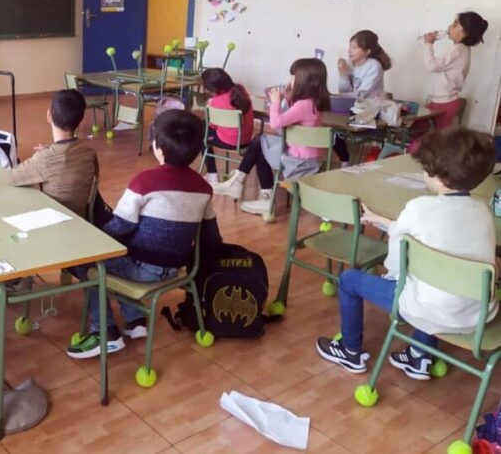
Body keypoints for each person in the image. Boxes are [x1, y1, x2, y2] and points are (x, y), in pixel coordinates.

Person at [316, 127, 497, 380]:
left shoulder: (418, 207)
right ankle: (420, 357)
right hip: (473, 315)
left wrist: (394, 231)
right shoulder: (483, 212)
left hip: (426, 309)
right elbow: (433, 238)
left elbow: (395, 266)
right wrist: (383, 221)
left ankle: (350, 350)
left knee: (350, 280)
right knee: (437, 281)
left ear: (438, 175)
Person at [66, 110, 222, 359]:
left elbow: (121, 227)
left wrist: (96, 239)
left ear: (157, 147)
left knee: (90, 265)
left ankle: (105, 332)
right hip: (177, 269)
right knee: (121, 256)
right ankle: (135, 320)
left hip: (141, 267)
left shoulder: (144, 182)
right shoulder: (204, 188)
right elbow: (212, 237)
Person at [213, 58, 331, 215]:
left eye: (293, 75)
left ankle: (247, 186)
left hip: (298, 162)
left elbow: (275, 124)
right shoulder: (312, 102)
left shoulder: (304, 105)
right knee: (261, 144)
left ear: (303, 79)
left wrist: (276, 102)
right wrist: (286, 100)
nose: (289, 79)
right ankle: (255, 192)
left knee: (259, 142)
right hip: (303, 155)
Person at [9, 89, 99, 216]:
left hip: (54, 223)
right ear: (81, 121)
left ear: (49, 116)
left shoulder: (45, 158)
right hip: (81, 220)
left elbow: (13, 177)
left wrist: (41, 155)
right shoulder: (89, 152)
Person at [422, 11, 489, 130]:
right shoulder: (462, 50)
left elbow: (431, 66)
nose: (449, 27)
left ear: (466, 32)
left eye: (455, 24)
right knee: (428, 135)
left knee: (438, 141)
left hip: (445, 103)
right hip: (442, 101)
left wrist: (428, 44)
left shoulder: (458, 51)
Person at [334, 30, 392, 164]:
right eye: (349, 47)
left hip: (371, 107)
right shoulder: (350, 64)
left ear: (367, 51)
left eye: (354, 48)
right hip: (355, 105)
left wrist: (344, 97)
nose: (350, 51)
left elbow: (362, 93)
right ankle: (344, 158)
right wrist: (342, 73)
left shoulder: (374, 66)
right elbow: (344, 90)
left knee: (338, 123)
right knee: (331, 125)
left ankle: (345, 160)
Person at [201, 68, 255, 185]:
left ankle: (212, 174)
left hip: (228, 141)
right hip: (246, 140)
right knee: (204, 126)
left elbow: (213, 126)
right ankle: (212, 174)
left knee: (201, 135)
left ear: (213, 89)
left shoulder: (216, 102)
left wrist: (210, 106)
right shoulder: (241, 89)